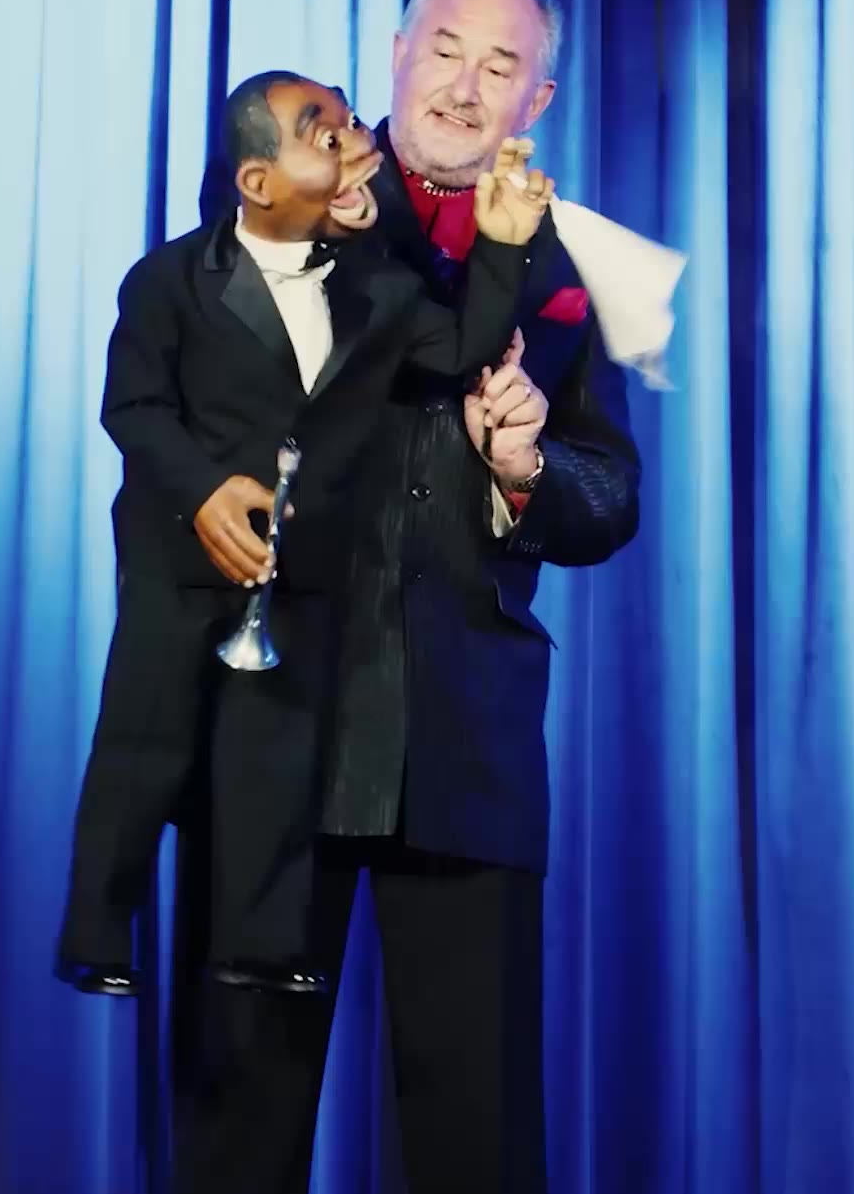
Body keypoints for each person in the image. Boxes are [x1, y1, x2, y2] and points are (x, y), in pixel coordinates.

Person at [149, 0, 640, 1194]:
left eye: (503, 66)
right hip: (280, 730)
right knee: (246, 1105)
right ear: (396, 50)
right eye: (446, 48)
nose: (464, 83)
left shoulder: (569, 271)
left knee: (476, 1123)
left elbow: (611, 497)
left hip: (463, 741)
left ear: (536, 101)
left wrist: (529, 469)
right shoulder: (295, 200)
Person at [54, 71, 548, 994]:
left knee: (273, 761)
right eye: (327, 138)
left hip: (301, 567)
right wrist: (202, 491)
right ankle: (96, 930)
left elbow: (463, 350)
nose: (361, 144)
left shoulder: (379, 289)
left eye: (353, 123)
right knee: (145, 745)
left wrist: (505, 246)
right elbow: (135, 409)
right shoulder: (172, 279)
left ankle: (262, 946)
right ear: (258, 183)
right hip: (182, 564)